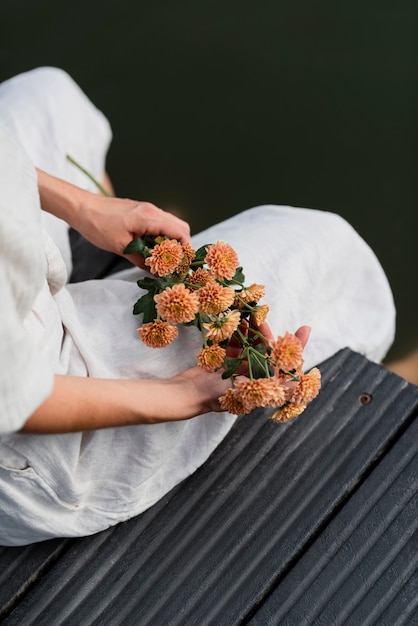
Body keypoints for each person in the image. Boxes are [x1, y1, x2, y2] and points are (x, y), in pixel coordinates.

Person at [0, 67, 395, 546]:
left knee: (48, 95)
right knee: (326, 242)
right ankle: (372, 353)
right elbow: (18, 396)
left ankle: (116, 247)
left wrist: (85, 208)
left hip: (20, 290)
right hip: (39, 429)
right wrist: (188, 395)